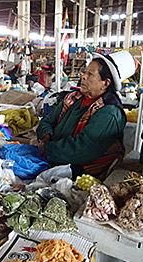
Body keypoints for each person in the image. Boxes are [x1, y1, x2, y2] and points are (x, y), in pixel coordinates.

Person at [36, 50, 136, 180]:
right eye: (85, 72)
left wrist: (47, 149)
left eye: (90, 74)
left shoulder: (109, 112)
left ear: (105, 83)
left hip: (79, 173)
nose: (83, 76)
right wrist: (45, 137)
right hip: (53, 158)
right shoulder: (73, 98)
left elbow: (83, 149)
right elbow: (47, 121)